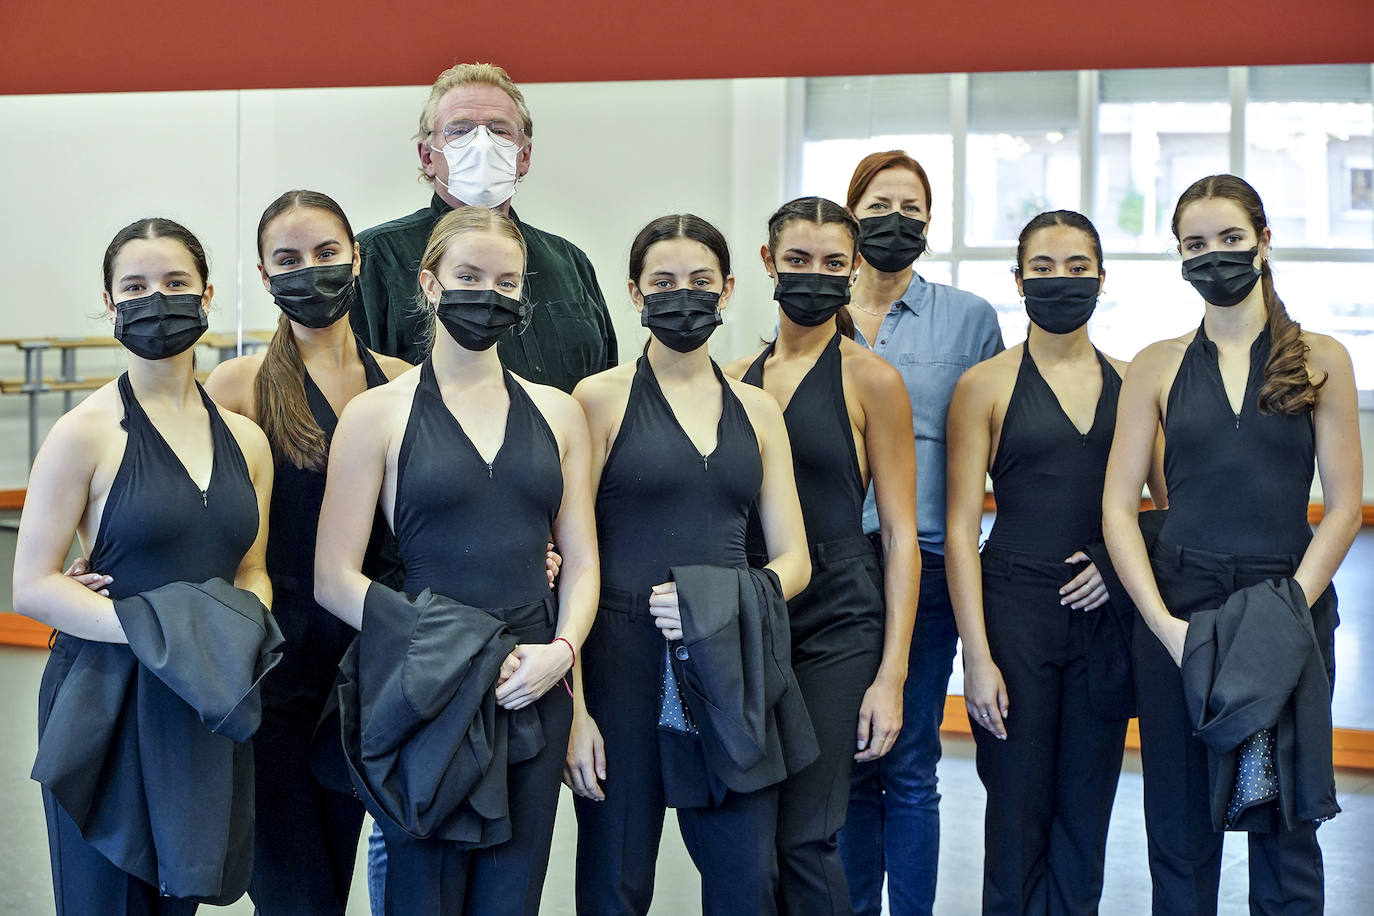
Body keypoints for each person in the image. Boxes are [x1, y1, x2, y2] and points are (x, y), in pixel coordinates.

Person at [314, 205, 598, 915]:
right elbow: (334, 578)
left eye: (507, 281)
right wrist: (455, 648)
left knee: (513, 896)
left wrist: (562, 652)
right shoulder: (376, 414)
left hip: (530, 685)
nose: (488, 293)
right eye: (469, 276)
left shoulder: (560, 413)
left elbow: (585, 560)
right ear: (431, 284)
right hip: (425, 684)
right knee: (423, 893)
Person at [1103, 174, 1362, 915]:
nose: (1213, 256)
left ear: (1264, 241)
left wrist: (1287, 610)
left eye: (1230, 240)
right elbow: (1120, 506)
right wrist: (1165, 627)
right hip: (1179, 607)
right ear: (1178, 255)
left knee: (1286, 822)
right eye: (1195, 244)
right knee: (1180, 831)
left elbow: (1343, 506)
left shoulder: (1322, 358)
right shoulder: (1154, 364)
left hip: (1286, 603)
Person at [13, 218, 275, 913]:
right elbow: (33, 585)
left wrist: (236, 632)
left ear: (207, 294)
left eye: (175, 282)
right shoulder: (83, 433)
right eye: (135, 286)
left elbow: (253, 569)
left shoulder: (247, 440)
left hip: (202, 695)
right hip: (107, 689)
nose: (156, 297)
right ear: (110, 303)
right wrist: (165, 635)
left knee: (179, 895)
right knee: (106, 898)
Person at [567, 214, 813, 915]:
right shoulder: (598, 399)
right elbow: (574, 563)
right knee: (615, 883)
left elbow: (794, 558)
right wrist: (577, 710)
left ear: (729, 289)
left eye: (701, 281)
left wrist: (727, 599)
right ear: (635, 294)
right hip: (622, 664)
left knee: (747, 879)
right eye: (664, 282)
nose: (684, 295)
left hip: (733, 661)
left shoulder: (759, 410)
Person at [946, 211, 1164, 915]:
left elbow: (1166, 504)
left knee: (1086, 808)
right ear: (1018, 281)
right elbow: (957, 530)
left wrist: (1113, 561)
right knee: (1016, 807)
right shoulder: (985, 385)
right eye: (1043, 268)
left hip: (1104, 616)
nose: (1061, 281)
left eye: (1078, 267)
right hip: (1014, 612)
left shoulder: (1134, 383)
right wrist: (975, 658)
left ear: (1102, 279)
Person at [201, 190, 409, 914]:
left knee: (340, 871)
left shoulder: (402, 383)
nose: (310, 272)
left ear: (356, 257)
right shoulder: (238, 386)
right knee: (296, 895)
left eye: (326, 254)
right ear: (264, 276)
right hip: (274, 667)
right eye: (288, 260)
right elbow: (183, 501)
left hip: (367, 670)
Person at [722, 197, 919, 915]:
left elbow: (899, 534)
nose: (815, 275)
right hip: (750, 609)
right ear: (769, 263)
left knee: (807, 836)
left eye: (834, 263)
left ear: (854, 269)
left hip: (839, 614)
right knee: (749, 841)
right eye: (798, 261)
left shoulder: (873, 380)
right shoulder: (734, 377)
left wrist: (892, 674)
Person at [836, 150, 1005, 916]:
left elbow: (1003, 437)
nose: (893, 221)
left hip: (929, 562)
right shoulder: (815, 310)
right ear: (851, 214)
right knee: (842, 758)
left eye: (910, 208)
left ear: (929, 224)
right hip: (833, 567)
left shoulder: (968, 320)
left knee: (907, 759)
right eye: (877, 206)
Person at [351, 61, 616, 388]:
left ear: (525, 156)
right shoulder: (377, 258)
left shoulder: (570, 262)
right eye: (459, 130)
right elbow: (353, 382)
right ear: (426, 157)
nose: (482, 144)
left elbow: (605, 382)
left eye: (500, 130)